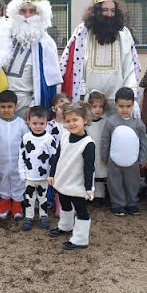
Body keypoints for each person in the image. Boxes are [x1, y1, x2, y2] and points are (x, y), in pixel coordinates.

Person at [60, 0, 141, 109]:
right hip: (89, 101)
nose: (109, 14)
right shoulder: (83, 32)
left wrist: (130, 95)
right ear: (96, 12)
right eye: (105, 10)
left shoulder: (123, 34)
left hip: (117, 102)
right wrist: (81, 93)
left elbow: (129, 67)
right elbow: (76, 64)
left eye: (112, 10)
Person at [4, 0, 63, 117]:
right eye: (23, 11)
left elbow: (48, 83)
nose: (27, 16)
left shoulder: (46, 44)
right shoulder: (3, 37)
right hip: (1, 101)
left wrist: (34, 106)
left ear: (40, 14)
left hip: (26, 105)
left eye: (32, 11)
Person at [48, 103, 95, 250]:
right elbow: (57, 156)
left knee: (81, 211)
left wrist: (88, 187)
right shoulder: (64, 136)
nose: (71, 124)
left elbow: (89, 168)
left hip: (78, 184)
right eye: (68, 121)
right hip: (63, 180)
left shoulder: (88, 144)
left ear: (84, 120)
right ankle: (65, 226)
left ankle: (80, 239)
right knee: (65, 205)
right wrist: (52, 174)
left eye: (75, 120)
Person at [100, 87, 147, 217]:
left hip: (132, 160)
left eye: (128, 106)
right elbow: (105, 140)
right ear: (116, 105)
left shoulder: (138, 123)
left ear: (133, 105)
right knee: (114, 182)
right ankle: (117, 204)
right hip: (114, 160)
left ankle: (132, 203)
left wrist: (142, 158)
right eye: (121, 106)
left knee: (133, 182)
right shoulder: (110, 121)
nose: (124, 109)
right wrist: (104, 156)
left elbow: (143, 141)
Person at [0, 90, 29, 220]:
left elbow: (27, 143)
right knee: (3, 181)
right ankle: (4, 205)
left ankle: (17, 206)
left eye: (9, 106)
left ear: (15, 107)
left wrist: (27, 160)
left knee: (18, 181)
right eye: (2, 107)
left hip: (18, 162)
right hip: (2, 162)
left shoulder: (21, 124)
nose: (6, 110)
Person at [18, 106, 57, 232]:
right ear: (28, 121)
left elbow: (54, 157)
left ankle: (43, 216)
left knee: (43, 197)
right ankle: (29, 217)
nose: (38, 126)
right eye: (35, 123)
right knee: (29, 198)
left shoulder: (49, 139)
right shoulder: (26, 138)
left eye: (41, 123)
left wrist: (52, 174)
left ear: (46, 123)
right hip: (29, 175)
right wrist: (22, 172)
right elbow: (21, 155)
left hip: (43, 176)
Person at [85, 90, 109, 201]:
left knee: (100, 170)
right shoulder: (86, 122)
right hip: (90, 151)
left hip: (101, 150)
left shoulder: (106, 121)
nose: (97, 110)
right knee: (90, 169)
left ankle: (100, 193)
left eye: (100, 107)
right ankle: (88, 193)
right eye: (94, 106)